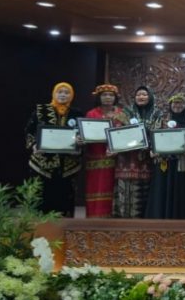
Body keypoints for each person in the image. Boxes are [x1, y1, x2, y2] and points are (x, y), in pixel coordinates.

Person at [24, 82, 83, 216]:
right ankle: (39, 232)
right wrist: (34, 145)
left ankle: (64, 231)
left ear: (71, 95)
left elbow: (82, 134)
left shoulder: (76, 113)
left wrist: (80, 141)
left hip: (67, 164)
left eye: (66, 92)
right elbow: (29, 131)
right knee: (41, 198)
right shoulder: (41, 111)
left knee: (64, 198)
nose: (63, 95)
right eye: (59, 92)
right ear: (54, 94)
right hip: (42, 164)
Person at [113, 85, 161, 218]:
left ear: (150, 97)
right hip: (126, 160)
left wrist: (152, 146)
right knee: (125, 191)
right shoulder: (125, 113)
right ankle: (123, 222)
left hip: (147, 160)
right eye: (138, 94)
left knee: (144, 193)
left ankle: (142, 224)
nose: (141, 97)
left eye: (144, 94)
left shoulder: (157, 114)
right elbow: (117, 131)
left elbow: (159, 133)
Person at [83, 84, 126, 218]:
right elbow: (86, 134)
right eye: (104, 95)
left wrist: (118, 149)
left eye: (111, 95)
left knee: (113, 189)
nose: (108, 97)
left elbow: (127, 136)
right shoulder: (91, 114)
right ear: (98, 97)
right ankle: (94, 219)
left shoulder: (122, 114)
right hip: (96, 158)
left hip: (117, 160)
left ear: (115, 98)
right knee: (96, 187)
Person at [145, 93, 185, 219]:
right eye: (175, 103)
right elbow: (153, 136)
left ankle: (177, 217)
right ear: (170, 105)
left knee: (178, 189)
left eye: (180, 103)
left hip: (180, 162)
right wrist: (152, 149)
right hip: (163, 161)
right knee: (161, 188)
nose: (177, 106)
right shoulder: (162, 119)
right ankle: (160, 216)